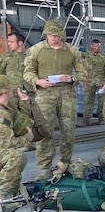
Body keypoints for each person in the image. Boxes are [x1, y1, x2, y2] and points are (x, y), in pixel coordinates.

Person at [23, 19, 87, 180]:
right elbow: (27, 72)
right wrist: (37, 81)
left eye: (55, 35)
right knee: (44, 131)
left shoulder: (73, 51)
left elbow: (84, 73)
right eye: (49, 35)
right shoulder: (36, 50)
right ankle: (44, 167)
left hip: (67, 94)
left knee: (68, 131)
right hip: (45, 94)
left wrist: (72, 79)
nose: (52, 38)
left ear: (61, 35)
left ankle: (64, 162)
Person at [0, 75, 34, 212]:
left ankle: (11, 190)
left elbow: (23, 122)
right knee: (16, 157)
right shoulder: (2, 114)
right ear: (7, 91)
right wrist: (29, 137)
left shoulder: (8, 108)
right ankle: (2, 196)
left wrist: (25, 102)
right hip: (3, 147)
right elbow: (7, 144)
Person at [80, 39, 105, 127]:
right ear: (91, 46)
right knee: (88, 102)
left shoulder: (104, 57)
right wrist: (83, 80)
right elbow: (81, 69)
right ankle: (86, 120)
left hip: (101, 82)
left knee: (102, 102)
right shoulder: (85, 56)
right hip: (89, 82)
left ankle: (102, 118)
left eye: (98, 46)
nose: (97, 48)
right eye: (95, 46)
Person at [0, 32, 31, 109]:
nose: (9, 44)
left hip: (29, 92)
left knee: (31, 115)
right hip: (12, 93)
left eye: (11, 42)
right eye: (8, 42)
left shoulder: (31, 55)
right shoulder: (6, 56)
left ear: (20, 43)